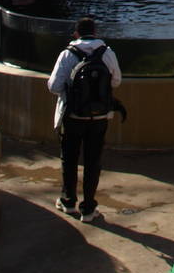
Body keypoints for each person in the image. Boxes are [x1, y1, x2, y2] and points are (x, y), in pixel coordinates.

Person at [46, 17, 122, 223]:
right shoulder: (107, 53)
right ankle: (88, 209)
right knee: (92, 161)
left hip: (72, 116)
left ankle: (68, 201)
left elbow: (53, 86)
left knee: (69, 158)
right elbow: (116, 81)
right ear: (95, 32)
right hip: (99, 117)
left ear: (76, 34)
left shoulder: (67, 54)